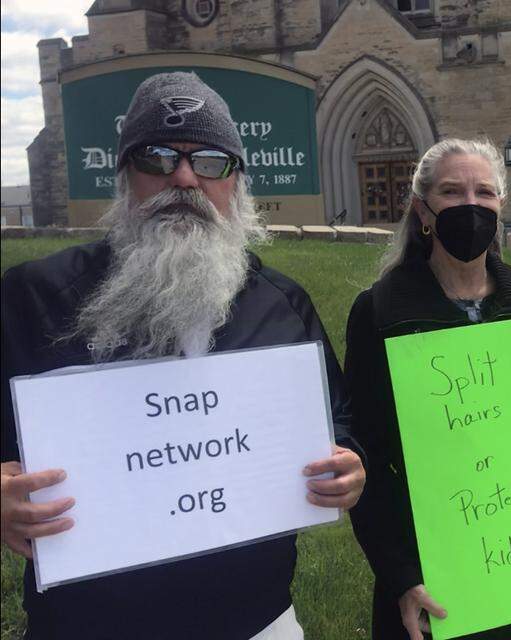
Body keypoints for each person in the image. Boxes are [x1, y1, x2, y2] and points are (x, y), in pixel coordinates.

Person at [0, 72, 366, 639]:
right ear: (125, 176)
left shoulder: (283, 302)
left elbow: (338, 420)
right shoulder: (32, 296)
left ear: (236, 183)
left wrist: (348, 466)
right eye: (158, 157)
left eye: (211, 161)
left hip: (258, 622)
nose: (185, 177)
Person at [345, 138, 511, 640]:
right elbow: (367, 459)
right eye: (452, 192)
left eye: (484, 193)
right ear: (423, 210)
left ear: (500, 208)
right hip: (439, 572)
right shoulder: (381, 311)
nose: (470, 206)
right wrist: (401, 575)